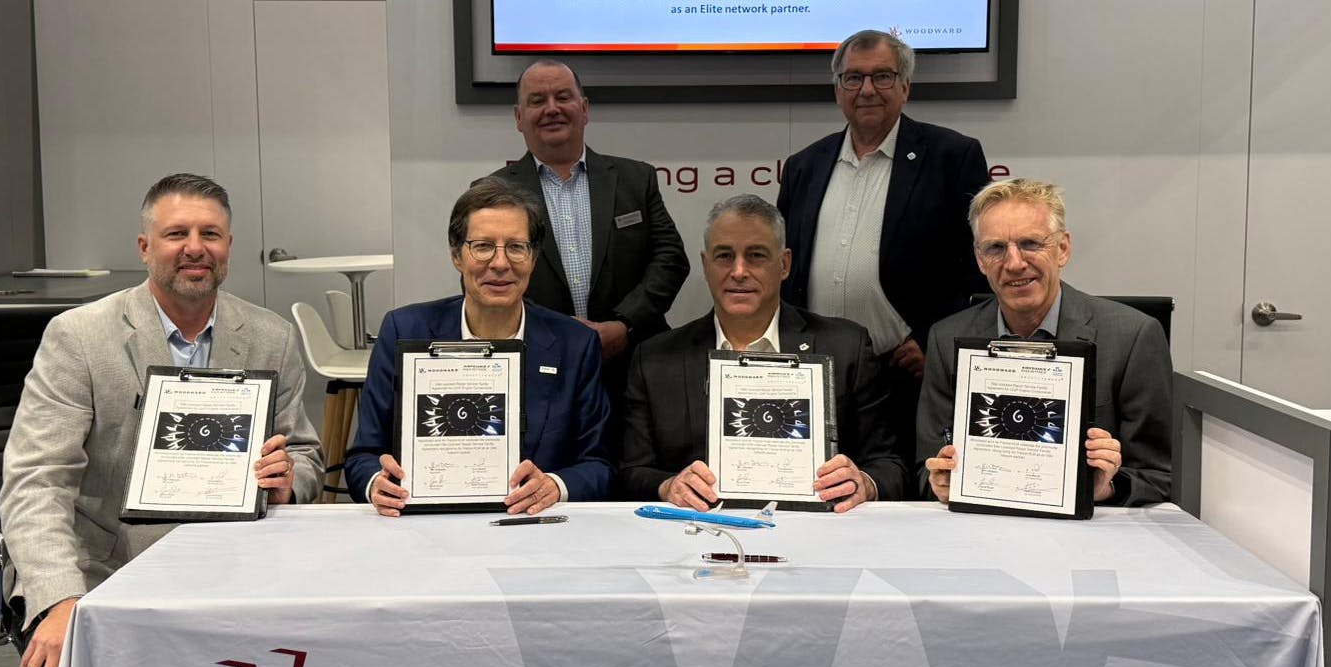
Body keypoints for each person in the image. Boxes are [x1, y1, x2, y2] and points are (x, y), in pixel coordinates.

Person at [0, 173, 323, 667]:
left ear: (228, 247)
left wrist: (287, 479)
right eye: (177, 233)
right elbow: (36, 480)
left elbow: (308, 456)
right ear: (145, 247)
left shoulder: (271, 336)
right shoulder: (79, 337)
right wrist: (59, 600)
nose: (195, 248)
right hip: (106, 566)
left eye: (211, 234)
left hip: (237, 568)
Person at [776, 29, 991, 460]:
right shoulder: (804, 166)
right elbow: (785, 266)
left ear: (906, 86)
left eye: (883, 77)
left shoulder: (952, 156)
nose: (867, 90)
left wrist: (934, 340)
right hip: (814, 369)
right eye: (853, 78)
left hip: (902, 371)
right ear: (838, 89)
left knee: (898, 493)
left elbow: (978, 265)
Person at [619, 194, 909, 509]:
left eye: (756, 255)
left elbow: (890, 465)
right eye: (724, 256)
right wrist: (669, 486)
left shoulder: (846, 347)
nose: (739, 271)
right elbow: (631, 471)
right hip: (699, 534)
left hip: (819, 538)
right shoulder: (656, 359)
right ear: (705, 265)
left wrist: (863, 482)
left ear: (783, 265)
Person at [345, 177, 611, 514]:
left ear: (533, 258)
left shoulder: (576, 344)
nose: (500, 263)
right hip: (423, 529)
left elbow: (600, 466)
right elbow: (362, 457)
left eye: (516, 247)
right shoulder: (403, 330)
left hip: (533, 530)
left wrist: (555, 486)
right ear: (457, 255)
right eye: (483, 246)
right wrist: (376, 484)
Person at [919, 178, 1173, 506]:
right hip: (980, 530)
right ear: (980, 260)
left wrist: (1106, 486)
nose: (1014, 263)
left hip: (1089, 539)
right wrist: (939, 481)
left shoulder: (1133, 337)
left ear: (1063, 248)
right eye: (996, 248)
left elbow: (1160, 474)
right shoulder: (946, 339)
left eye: (1030, 243)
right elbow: (923, 465)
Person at [490, 59, 690, 443]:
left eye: (563, 97)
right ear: (519, 117)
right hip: (541, 365)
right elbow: (489, 279)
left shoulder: (636, 178)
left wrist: (623, 325)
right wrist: (561, 336)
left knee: (636, 476)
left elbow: (670, 259)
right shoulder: (495, 193)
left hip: (632, 362)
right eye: (537, 101)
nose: (551, 108)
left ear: (584, 108)